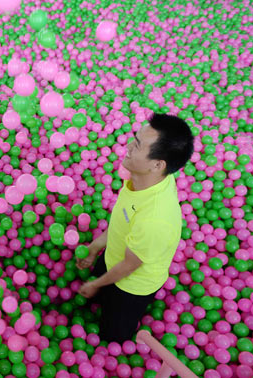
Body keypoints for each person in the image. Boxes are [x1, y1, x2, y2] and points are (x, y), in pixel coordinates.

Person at [76, 113, 194, 342]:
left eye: (138, 145)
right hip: (114, 255)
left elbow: (129, 266)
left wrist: (95, 284)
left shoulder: (155, 219)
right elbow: (124, 220)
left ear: (157, 165)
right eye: (135, 139)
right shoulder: (144, 179)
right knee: (96, 293)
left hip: (133, 285)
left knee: (113, 332)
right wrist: (95, 246)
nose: (128, 146)